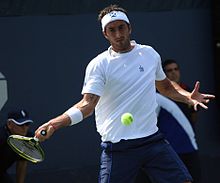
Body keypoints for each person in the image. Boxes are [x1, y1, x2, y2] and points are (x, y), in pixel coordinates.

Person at [35, 4, 215, 183]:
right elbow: (87, 105)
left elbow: (166, 87)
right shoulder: (99, 65)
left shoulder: (149, 54)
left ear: (130, 28)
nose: (118, 34)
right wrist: (55, 123)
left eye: (121, 27)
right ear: (105, 34)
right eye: (112, 30)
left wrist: (187, 96)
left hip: (152, 141)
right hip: (118, 148)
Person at [162, 59, 202, 182]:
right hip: (168, 150)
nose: (173, 73)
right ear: (163, 74)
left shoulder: (189, 92)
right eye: (169, 70)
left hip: (189, 148)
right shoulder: (156, 95)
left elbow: (194, 117)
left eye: (176, 69)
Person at [0, 109, 34, 183]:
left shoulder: (28, 138)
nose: (25, 128)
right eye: (21, 124)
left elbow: (22, 163)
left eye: (27, 124)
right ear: (9, 124)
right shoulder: (1, 137)